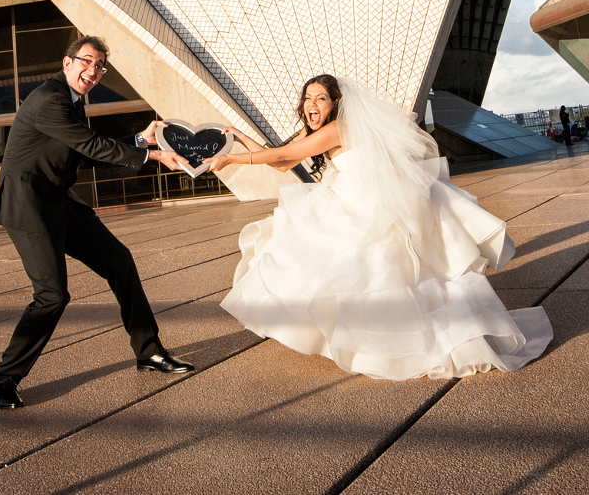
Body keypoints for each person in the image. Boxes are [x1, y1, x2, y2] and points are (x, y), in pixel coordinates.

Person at [209, 74, 553, 380]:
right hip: (348, 197)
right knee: (355, 269)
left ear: (335, 104)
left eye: (320, 98)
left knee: (377, 272)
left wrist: (230, 159)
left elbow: (278, 156)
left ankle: (397, 339)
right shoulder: (317, 130)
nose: (311, 105)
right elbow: (283, 161)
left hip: (367, 204)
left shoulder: (337, 129)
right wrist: (239, 139)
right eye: (308, 98)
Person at [0, 35, 193, 410]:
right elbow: (92, 147)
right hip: (29, 206)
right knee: (52, 296)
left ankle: (148, 351)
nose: (93, 71)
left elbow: (84, 153)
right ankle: (3, 379)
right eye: (86, 61)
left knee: (119, 261)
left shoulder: (73, 103)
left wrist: (140, 142)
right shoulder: (50, 98)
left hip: (60, 200)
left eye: (100, 66)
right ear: (67, 62)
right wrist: (154, 156)